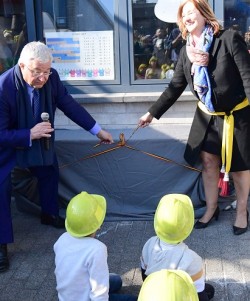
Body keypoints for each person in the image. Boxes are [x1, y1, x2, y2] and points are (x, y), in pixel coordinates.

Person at [0, 41, 114, 273]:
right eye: (37, 72)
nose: (43, 78)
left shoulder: (51, 79)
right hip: (8, 144)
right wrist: (29, 134)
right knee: (0, 189)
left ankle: (49, 213)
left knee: (49, 169)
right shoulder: (2, 88)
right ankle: (1, 245)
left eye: (47, 71)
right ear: (21, 66)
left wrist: (97, 130)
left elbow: (69, 105)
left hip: (40, 139)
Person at [139, 0, 250, 235]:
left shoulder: (228, 38)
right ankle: (211, 208)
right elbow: (174, 86)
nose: (187, 16)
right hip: (207, 115)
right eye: (183, 14)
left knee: (240, 167)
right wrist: (151, 113)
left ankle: (242, 211)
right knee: (209, 163)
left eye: (191, 11)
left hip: (236, 115)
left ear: (204, 14)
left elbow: (247, 77)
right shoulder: (185, 50)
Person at [54, 191, 137, 301]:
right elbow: (100, 292)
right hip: (87, 298)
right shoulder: (97, 249)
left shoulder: (62, 239)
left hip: (66, 297)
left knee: (117, 280)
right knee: (134, 299)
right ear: (98, 226)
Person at [140, 194, 214, 301]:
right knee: (209, 290)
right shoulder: (192, 259)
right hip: (178, 296)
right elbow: (199, 294)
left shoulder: (149, 244)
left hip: (154, 294)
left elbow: (144, 277)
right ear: (188, 226)